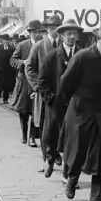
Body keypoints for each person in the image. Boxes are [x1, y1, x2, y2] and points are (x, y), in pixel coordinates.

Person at [58, 18, 101, 201]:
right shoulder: (83, 57)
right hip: (80, 109)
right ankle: (72, 178)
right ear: (97, 39)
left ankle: (96, 199)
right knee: (78, 150)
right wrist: (68, 107)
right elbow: (65, 83)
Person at [38, 18, 82, 176]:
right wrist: (50, 98)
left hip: (76, 105)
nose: (71, 37)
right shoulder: (52, 56)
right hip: (56, 104)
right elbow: (42, 81)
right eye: (68, 34)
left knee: (73, 139)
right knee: (52, 135)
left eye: (74, 34)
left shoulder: (82, 55)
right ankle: (50, 160)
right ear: (62, 35)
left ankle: (68, 172)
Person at [25, 14, 63, 156]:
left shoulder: (64, 46)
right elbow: (28, 67)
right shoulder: (39, 46)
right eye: (51, 28)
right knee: (44, 123)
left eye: (57, 27)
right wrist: (37, 86)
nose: (54, 30)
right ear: (46, 30)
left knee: (60, 122)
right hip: (44, 92)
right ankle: (47, 154)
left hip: (61, 91)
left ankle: (55, 152)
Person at [12, 21, 43, 145]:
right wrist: (22, 62)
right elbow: (12, 60)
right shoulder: (22, 45)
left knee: (35, 110)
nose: (37, 34)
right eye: (34, 32)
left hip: (37, 82)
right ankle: (24, 134)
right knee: (23, 110)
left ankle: (32, 137)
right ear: (29, 33)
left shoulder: (43, 45)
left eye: (38, 32)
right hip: (24, 82)